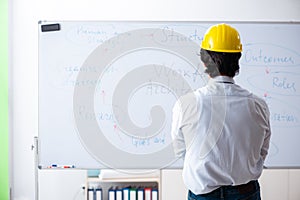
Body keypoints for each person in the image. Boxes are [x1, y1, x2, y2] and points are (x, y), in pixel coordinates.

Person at [171, 23, 271, 200]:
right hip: (246, 193)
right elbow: (262, 151)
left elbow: (181, 151)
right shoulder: (258, 105)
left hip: (203, 193)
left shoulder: (186, 104)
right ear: (237, 60)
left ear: (204, 60)